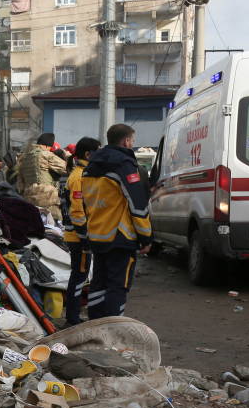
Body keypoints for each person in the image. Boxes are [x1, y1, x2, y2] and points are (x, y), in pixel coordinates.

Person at [78, 124, 152, 319]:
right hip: (120, 236)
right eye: (132, 141)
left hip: (97, 234)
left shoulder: (90, 167)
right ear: (126, 141)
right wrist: (146, 237)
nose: (132, 145)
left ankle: (95, 328)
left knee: (99, 284)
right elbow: (137, 204)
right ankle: (113, 333)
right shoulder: (124, 165)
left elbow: (86, 202)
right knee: (118, 287)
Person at [62, 137, 101, 326]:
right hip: (78, 237)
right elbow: (77, 211)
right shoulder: (79, 177)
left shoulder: (80, 173)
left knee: (78, 275)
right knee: (79, 277)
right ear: (88, 154)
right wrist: (85, 237)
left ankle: (73, 315)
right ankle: (72, 317)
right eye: (98, 152)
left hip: (76, 235)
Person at [15, 133, 67, 218]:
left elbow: (20, 184)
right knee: (53, 227)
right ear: (47, 146)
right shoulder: (46, 155)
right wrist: (67, 156)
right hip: (47, 199)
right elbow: (67, 168)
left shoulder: (23, 158)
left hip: (29, 200)